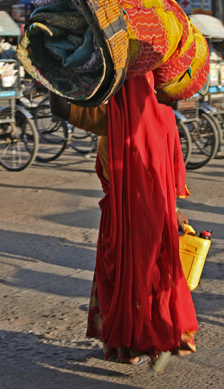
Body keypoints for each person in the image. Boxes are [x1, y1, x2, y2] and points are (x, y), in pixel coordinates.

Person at [49, 71, 198, 372]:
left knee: (120, 280)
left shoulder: (109, 115)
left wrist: (54, 71)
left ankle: (127, 347)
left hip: (120, 219)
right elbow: (170, 173)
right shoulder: (166, 118)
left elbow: (60, 108)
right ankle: (163, 339)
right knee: (154, 278)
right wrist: (174, 210)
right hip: (158, 216)